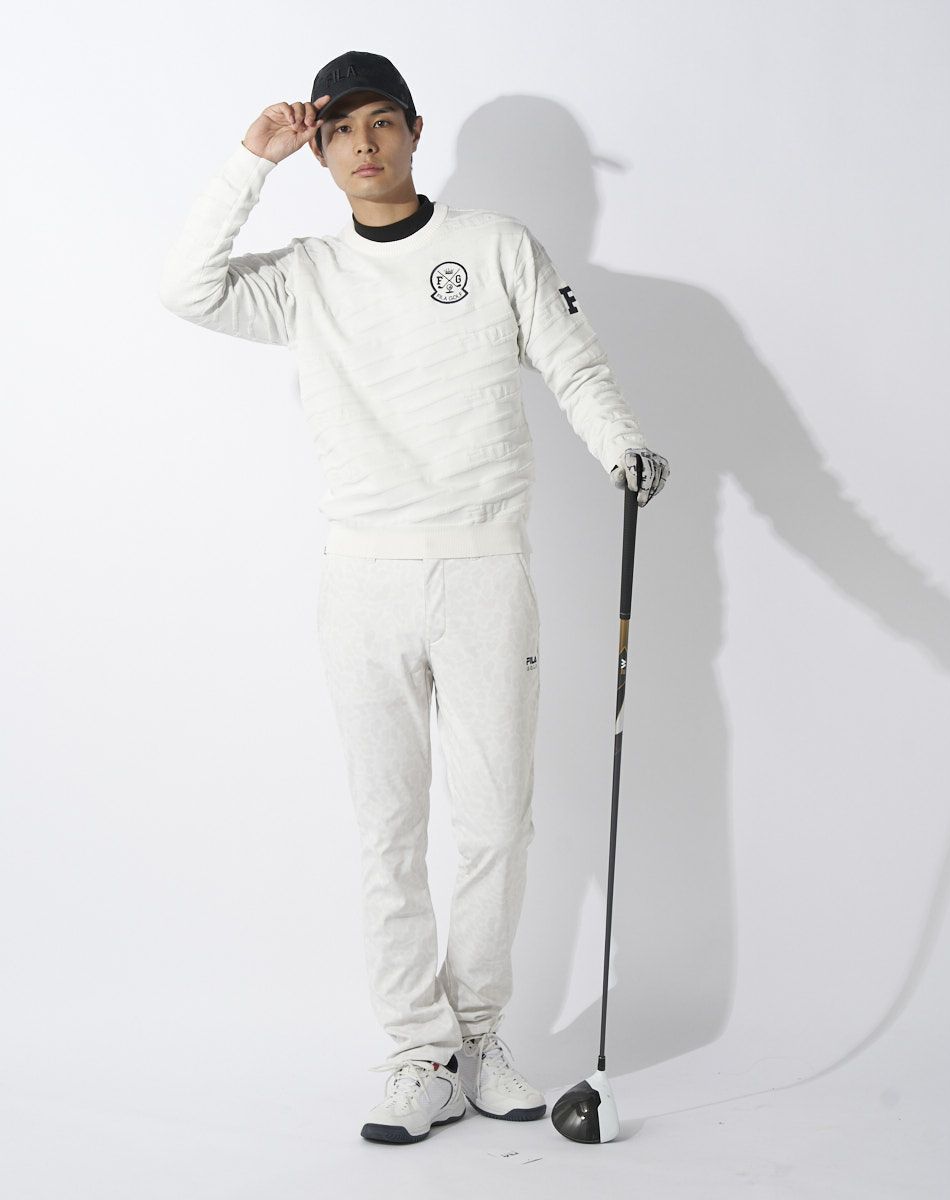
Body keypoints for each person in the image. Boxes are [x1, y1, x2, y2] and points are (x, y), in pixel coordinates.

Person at [159, 49, 669, 1145]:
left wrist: (621, 445)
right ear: (319, 149)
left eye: (380, 122)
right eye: (339, 129)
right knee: (388, 831)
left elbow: (575, 365)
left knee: (495, 825)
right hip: (362, 581)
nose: (363, 144)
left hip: (484, 571)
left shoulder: (494, 247)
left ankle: (478, 1035)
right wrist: (251, 159)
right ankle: (417, 1053)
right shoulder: (305, 275)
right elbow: (186, 288)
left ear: (414, 130)